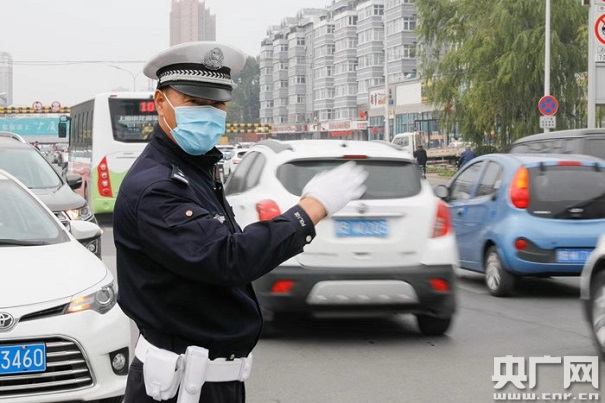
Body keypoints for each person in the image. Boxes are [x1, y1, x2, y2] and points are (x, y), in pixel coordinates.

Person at [113, 41, 368, 403]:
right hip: (177, 388)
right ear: (160, 103)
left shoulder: (194, 171)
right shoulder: (157, 187)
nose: (209, 112)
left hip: (206, 382)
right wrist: (310, 210)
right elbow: (228, 259)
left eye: (217, 104)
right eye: (194, 102)